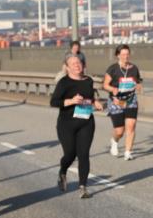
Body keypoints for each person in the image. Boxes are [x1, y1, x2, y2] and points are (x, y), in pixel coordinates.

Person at [50, 53, 103, 198]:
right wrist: (71, 101)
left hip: (86, 122)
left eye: (78, 62)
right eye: (73, 64)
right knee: (70, 154)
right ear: (67, 68)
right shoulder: (64, 83)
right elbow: (54, 102)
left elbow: (89, 98)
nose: (77, 65)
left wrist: (95, 102)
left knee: (84, 154)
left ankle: (83, 187)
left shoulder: (88, 81)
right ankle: (63, 171)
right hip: (66, 124)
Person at [103, 44, 142, 161]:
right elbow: (105, 85)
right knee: (120, 131)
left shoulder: (134, 68)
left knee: (131, 126)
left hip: (131, 100)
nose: (126, 57)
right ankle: (114, 141)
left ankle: (128, 152)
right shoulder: (113, 69)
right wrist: (112, 89)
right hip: (116, 101)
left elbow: (138, 82)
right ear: (118, 56)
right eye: (123, 54)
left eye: (127, 54)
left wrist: (138, 86)